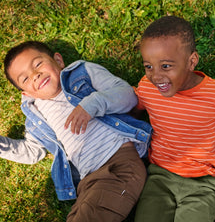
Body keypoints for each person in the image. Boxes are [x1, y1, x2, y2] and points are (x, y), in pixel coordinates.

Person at [1, 41, 152, 222]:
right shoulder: (36, 116)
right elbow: (33, 152)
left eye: (38, 64)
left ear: (58, 60)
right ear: (26, 94)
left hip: (120, 163)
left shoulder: (81, 74)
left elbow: (128, 95)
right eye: (24, 79)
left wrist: (91, 105)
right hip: (87, 182)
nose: (35, 75)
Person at [133, 15, 215, 222]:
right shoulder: (147, 89)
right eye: (148, 66)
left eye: (165, 66)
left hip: (202, 182)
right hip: (159, 177)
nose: (155, 76)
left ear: (191, 61)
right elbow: (134, 115)